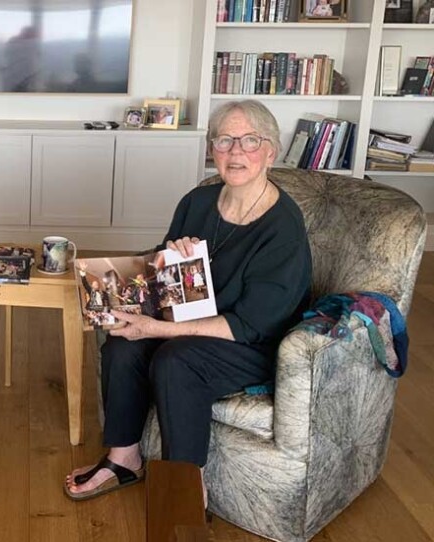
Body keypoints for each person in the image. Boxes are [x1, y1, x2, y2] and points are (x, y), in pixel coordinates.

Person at [64, 99, 311, 503]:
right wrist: (137, 286)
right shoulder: (197, 202)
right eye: (224, 140)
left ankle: (185, 487)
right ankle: (124, 458)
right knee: (125, 344)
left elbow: (250, 324)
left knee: (175, 360)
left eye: (250, 141)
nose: (235, 152)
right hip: (189, 325)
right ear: (211, 148)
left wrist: (158, 328)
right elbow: (163, 278)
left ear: (271, 150)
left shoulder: (283, 227)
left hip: (252, 344)